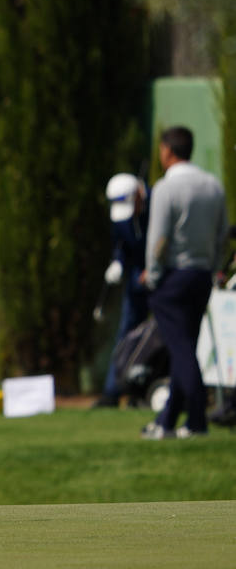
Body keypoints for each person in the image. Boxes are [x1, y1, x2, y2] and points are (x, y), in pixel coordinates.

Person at [139, 126, 228, 440]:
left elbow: (159, 238)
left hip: (175, 277)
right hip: (203, 275)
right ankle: (167, 422)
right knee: (185, 346)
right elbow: (222, 234)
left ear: (167, 151)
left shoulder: (166, 188)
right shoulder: (213, 185)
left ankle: (197, 422)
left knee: (181, 350)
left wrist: (152, 274)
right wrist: (214, 268)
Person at [93, 172, 150, 407]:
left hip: (162, 276)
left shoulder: (156, 202)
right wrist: (118, 261)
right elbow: (121, 243)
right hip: (138, 278)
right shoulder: (121, 218)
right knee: (127, 332)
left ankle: (147, 390)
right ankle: (114, 391)